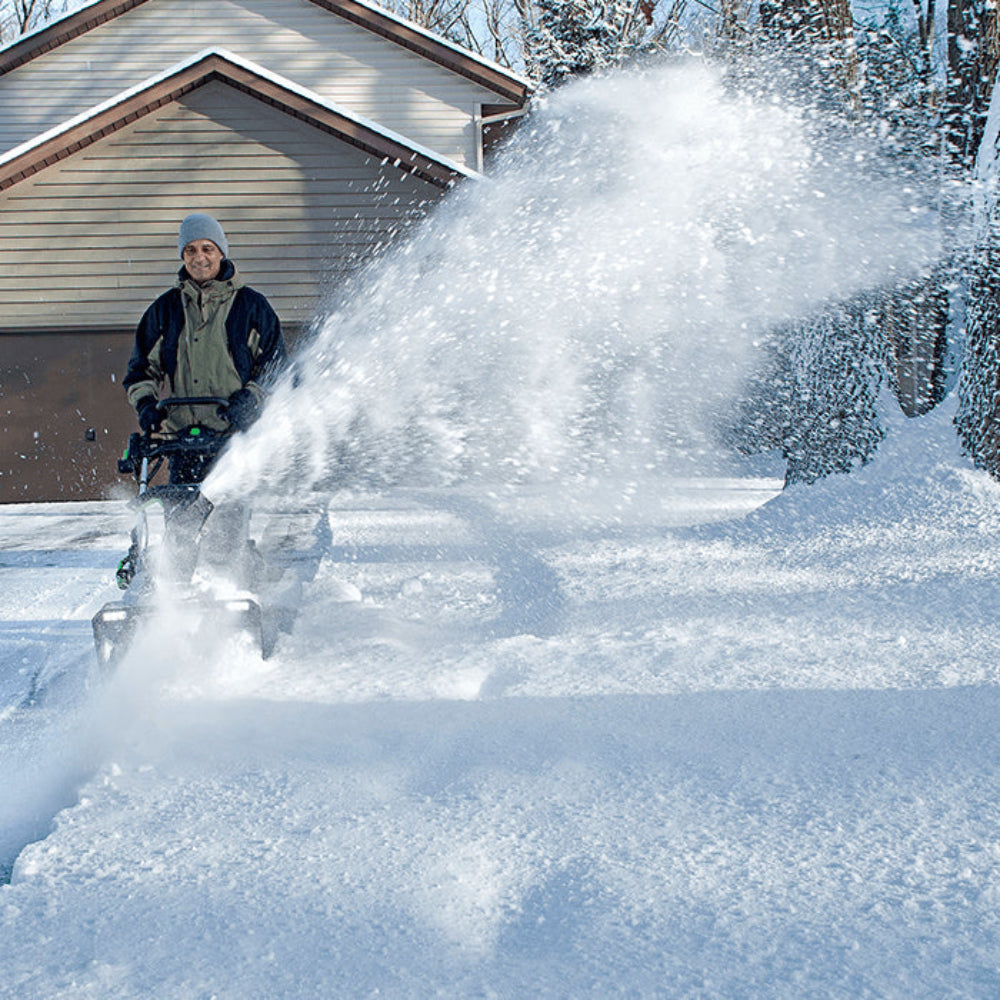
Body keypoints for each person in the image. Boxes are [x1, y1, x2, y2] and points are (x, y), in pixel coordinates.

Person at [123, 213, 287, 484]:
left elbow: (276, 365)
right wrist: (147, 407)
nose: (199, 257)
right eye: (190, 250)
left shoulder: (251, 307)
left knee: (229, 520)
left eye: (207, 248)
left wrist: (250, 399)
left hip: (234, 438)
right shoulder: (165, 310)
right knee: (181, 520)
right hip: (182, 440)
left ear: (221, 252)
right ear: (182, 255)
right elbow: (141, 371)